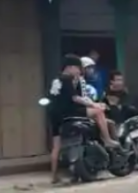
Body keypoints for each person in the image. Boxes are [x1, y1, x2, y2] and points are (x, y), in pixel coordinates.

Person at [48, 55, 116, 183]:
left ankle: (54, 177)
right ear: (70, 67)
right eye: (78, 68)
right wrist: (93, 105)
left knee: (56, 147)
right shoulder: (68, 79)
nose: (79, 71)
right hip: (69, 112)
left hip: (54, 116)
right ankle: (107, 139)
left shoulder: (56, 80)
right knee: (99, 112)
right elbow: (75, 98)